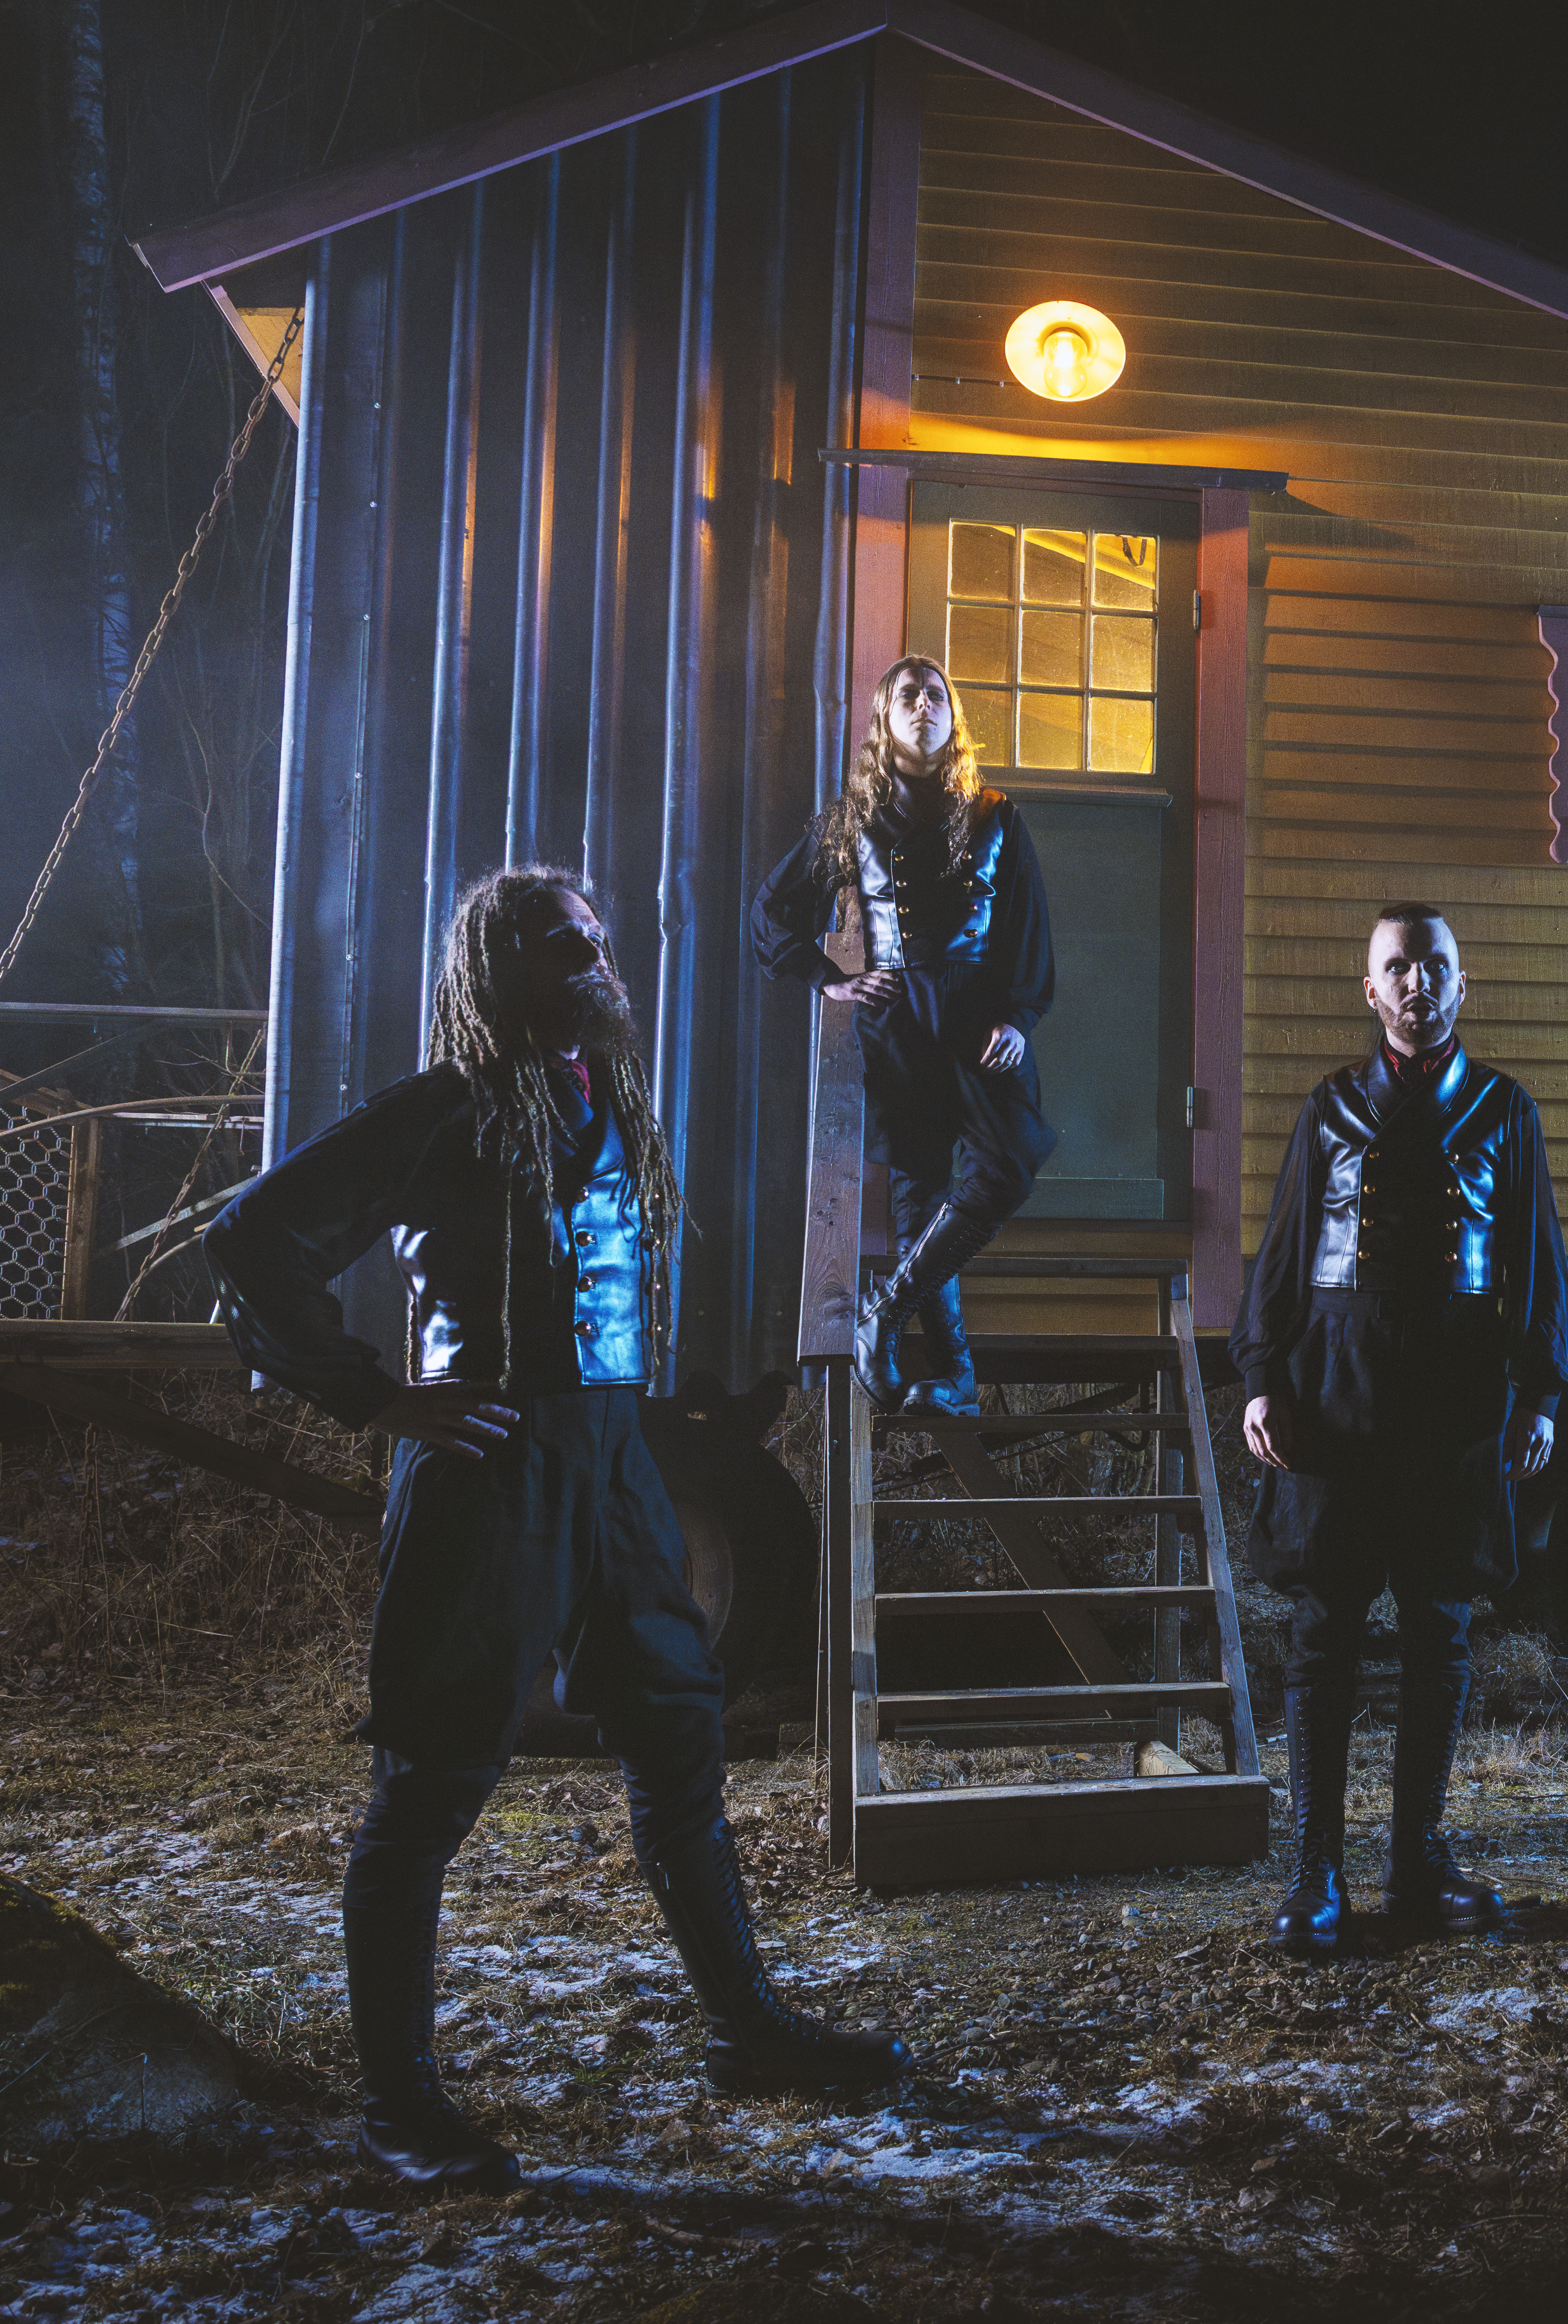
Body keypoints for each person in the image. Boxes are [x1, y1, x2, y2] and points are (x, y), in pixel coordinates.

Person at [205, 868, 908, 2193]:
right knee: (430, 1785)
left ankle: (745, 2030)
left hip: (616, 1458)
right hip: (491, 1466)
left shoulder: (607, 1100)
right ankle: (399, 2110)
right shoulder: (443, 1108)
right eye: (559, 943)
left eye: (597, 939)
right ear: (496, 967)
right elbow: (251, 1238)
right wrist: (376, 1395)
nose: (593, 958)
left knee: (680, 1733)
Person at [1232, 904, 1568, 1956]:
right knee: (1325, 1630)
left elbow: (1534, 1256)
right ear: (1371, 990)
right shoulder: (1330, 1106)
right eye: (1398, 966)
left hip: (1457, 1391)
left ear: (1461, 984)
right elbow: (1286, 1247)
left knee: (1440, 1625)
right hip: (1335, 1384)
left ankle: (1417, 1860)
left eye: (1434, 964)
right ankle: (1315, 1872)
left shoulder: (1504, 1107)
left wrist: (1542, 1393)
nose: (1417, 982)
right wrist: (1262, 1377)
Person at [751, 654, 1056, 1412]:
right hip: (899, 1021)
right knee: (920, 1195)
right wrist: (832, 978)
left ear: (953, 718)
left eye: (937, 695)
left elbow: (1029, 928)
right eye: (909, 695)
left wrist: (1017, 1018)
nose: (925, 705)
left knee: (1010, 1163)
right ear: (884, 719)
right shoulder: (852, 820)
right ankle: (957, 1377)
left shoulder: (995, 813)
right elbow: (772, 911)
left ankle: (883, 1314)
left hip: (980, 1018)